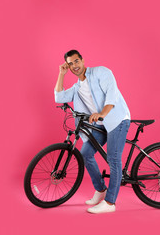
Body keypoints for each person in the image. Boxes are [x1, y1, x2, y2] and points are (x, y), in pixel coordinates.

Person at [54, 50, 130, 214]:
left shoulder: (101, 72)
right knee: (85, 154)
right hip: (101, 124)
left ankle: (110, 203)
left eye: (76, 61)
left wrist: (102, 113)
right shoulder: (77, 87)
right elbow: (59, 98)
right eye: (70, 63)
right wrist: (61, 74)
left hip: (117, 119)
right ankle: (101, 189)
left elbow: (112, 94)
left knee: (113, 159)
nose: (74, 66)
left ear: (82, 60)